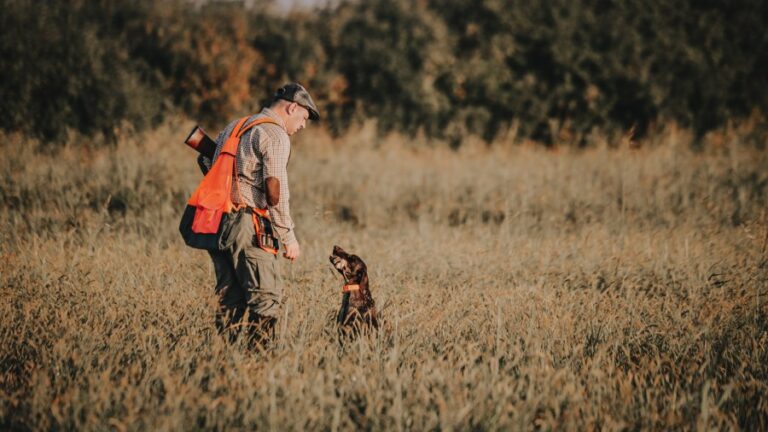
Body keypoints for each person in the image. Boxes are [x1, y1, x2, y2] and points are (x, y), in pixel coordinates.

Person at [197, 83, 319, 348]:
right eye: (304, 118)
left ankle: (227, 359)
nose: (303, 126)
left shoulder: (236, 125)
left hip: (218, 223)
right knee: (266, 298)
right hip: (248, 224)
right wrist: (289, 237)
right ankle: (257, 364)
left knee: (230, 299)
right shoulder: (275, 135)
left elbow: (207, 163)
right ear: (292, 107)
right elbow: (275, 192)